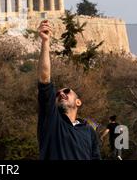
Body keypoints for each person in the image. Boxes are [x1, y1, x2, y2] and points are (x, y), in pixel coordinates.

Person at [37, 20, 101, 160]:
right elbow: (44, 78)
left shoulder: (88, 131)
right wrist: (45, 42)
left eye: (66, 91)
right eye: (57, 94)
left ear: (78, 102)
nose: (61, 93)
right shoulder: (51, 120)